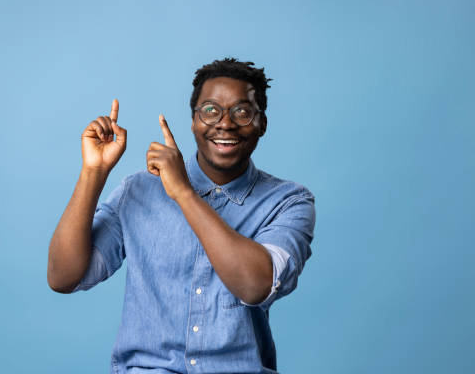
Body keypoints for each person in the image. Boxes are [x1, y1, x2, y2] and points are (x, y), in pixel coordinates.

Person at [47, 58, 316, 374]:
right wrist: (94, 171)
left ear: (262, 124)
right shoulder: (138, 190)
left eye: (242, 112)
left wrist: (184, 193)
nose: (225, 123)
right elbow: (63, 277)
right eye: (210, 110)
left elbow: (255, 286)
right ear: (193, 121)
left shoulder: (289, 202)